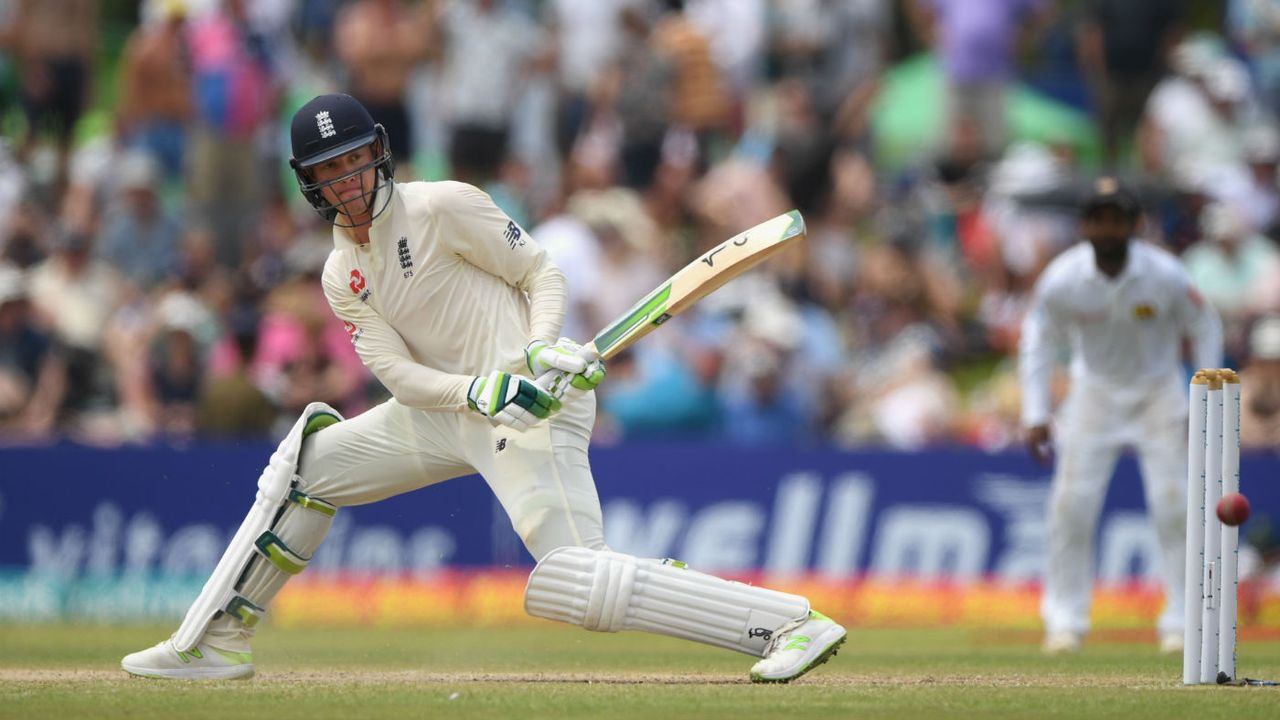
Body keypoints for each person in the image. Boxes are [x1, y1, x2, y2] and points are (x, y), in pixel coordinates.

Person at [120, 93, 846, 683]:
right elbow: (397, 375)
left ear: (380, 154)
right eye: (331, 171)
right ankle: (214, 642)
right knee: (307, 467)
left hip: (536, 409)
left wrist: (536, 348)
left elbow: (541, 274)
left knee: (572, 580)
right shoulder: (341, 274)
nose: (351, 181)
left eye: (357, 162)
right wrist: (476, 391)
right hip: (450, 408)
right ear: (308, 182)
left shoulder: (443, 206)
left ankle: (789, 624)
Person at [1019, 177, 1222, 654]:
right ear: (1084, 225)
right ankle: (1065, 621)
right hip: (1094, 394)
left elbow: (1205, 323)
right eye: (1097, 218)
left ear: (1135, 225)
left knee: (1174, 508)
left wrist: (1209, 393)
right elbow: (1038, 342)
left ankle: (1179, 622)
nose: (1106, 228)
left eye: (1116, 219)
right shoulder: (1064, 278)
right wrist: (1035, 411)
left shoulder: (1166, 274)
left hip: (1159, 394)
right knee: (1071, 509)